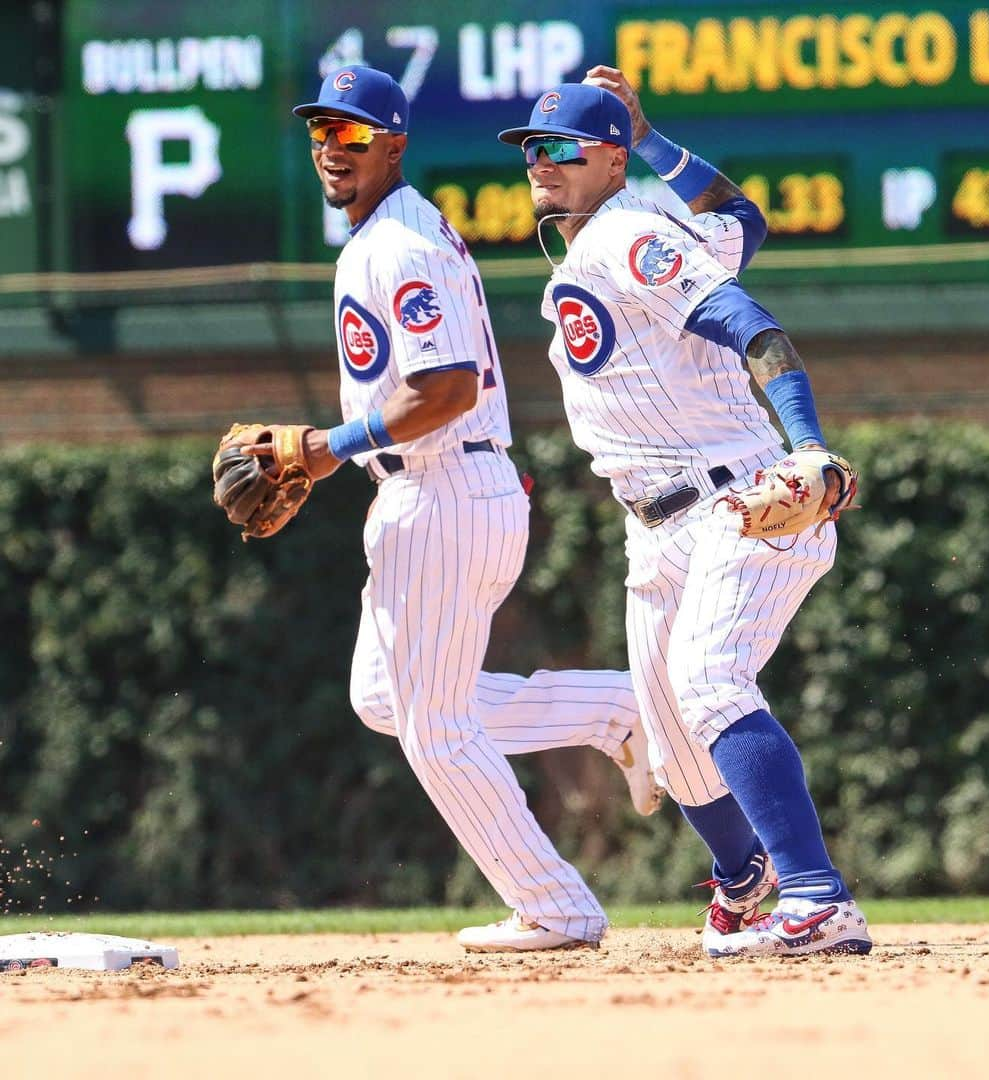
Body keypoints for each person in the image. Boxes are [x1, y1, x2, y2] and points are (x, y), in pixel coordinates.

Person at [285, 65, 671, 953]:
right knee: (386, 695)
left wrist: (322, 448)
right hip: (441, 488)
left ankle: (556, 907)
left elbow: (448, 387)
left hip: (443, 489)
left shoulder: (399, 248)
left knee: (435, 728)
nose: (331, 150)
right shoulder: (386, 236)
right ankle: (617, 708)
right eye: (320, 133)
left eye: (350, 134)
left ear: (393, 144)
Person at [497, 69, 872, 957]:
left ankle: (818, 900)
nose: (540, 163)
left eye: (561, 148)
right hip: (656, 524)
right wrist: (656, 136)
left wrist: (810, 448)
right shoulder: (637, 230)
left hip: (735, 500)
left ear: (610, 159)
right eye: (531, 149)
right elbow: (746, 221)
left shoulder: (629, 237)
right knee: (669, 741)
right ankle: (746, 885)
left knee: (710, 682)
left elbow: (755, 326)